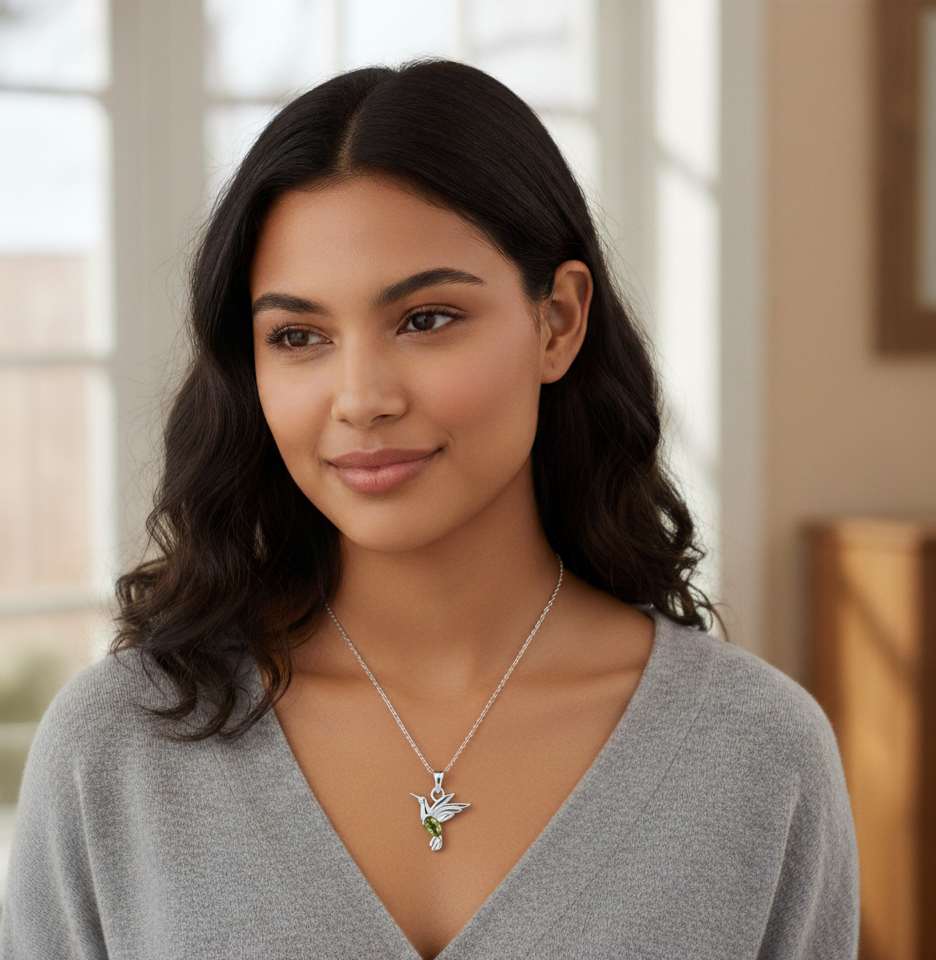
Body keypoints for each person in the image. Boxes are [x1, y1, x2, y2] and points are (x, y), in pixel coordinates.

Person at [0, 61, 858, 959]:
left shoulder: (757, 755)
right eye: (298, 337)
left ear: (558, 322)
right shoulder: (118, 749)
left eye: (426, 319)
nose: (360, 397)